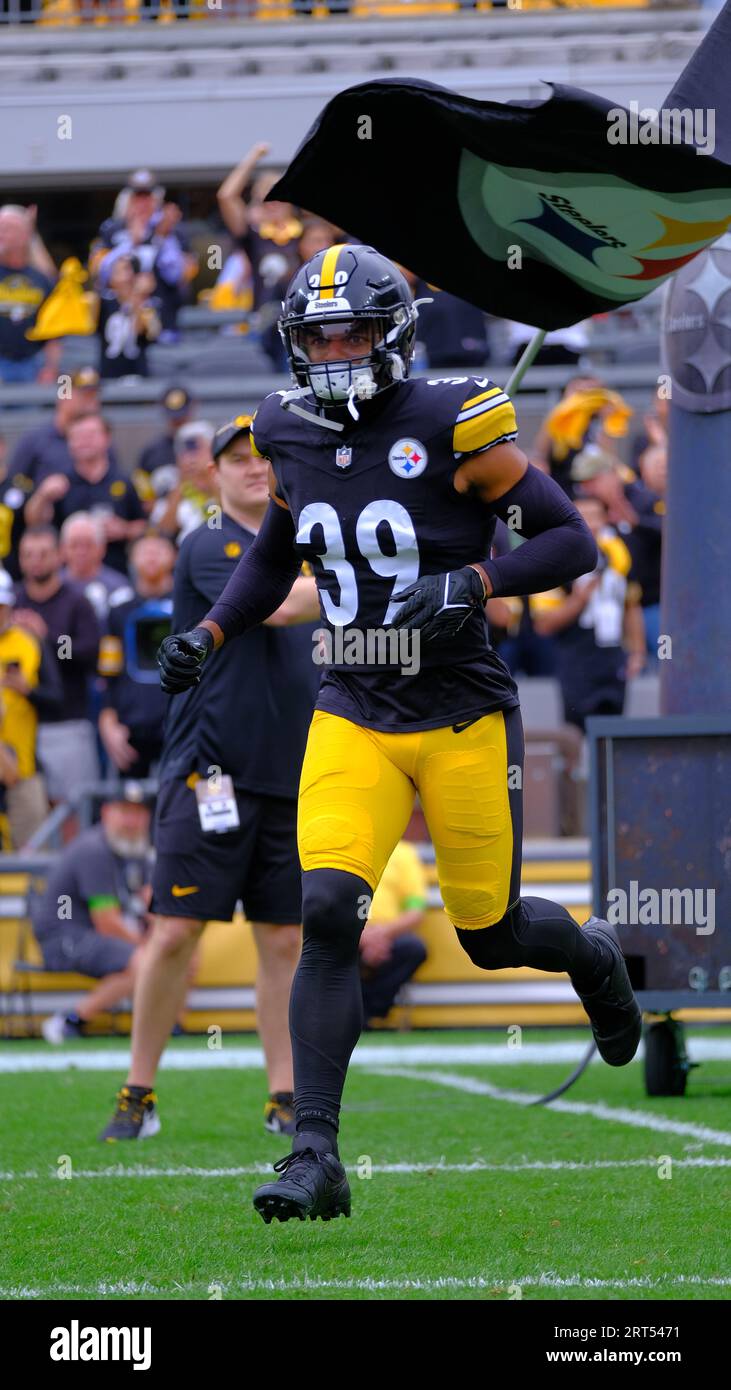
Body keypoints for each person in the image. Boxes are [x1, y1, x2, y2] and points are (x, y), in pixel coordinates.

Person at [157, 244, 643, 1224]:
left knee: (490, 931)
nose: (334, 348)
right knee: (327, 909)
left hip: (459, 710)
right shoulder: (283, 428)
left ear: (394, 335)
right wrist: (211, 631)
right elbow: (272, 550)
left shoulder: (454, 418)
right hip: (353, 707)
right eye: (317, 333)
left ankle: (589, 954)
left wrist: (472, 580)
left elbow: (568, 541)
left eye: (351, 330)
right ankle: (314, 1152)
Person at [100, 414, 321, 1143]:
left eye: (265, 456)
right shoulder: (209, 546)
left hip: (288, 772)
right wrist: (367, 580)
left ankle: (284, 1097)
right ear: (213, 474)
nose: (254, 467)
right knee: (173, 933)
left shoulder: (308, 545)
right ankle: (138, 1092)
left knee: (284, 941)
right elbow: (280, 604)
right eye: (237, 458)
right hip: (210, 773)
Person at [33, 787, 152, 1046]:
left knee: (181, 954)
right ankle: (70, 1020)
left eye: (138, 813)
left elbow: (150, 905)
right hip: (64, 937)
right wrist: (151, 946)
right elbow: (107, 922)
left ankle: (171, 1027)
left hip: (96, 936)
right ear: (106, 813)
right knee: (148, 960)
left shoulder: (136, 850)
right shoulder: (94, 850)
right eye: (125, 812)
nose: (132, 821)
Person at [531, 495, 646, 729]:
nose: (590, 525)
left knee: (614, 732)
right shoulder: (554, 559)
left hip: (612, 655)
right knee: (576, 731)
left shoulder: (617, 553)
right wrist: (578, 600)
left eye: (596, 517)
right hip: (576, 657)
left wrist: (637, 651)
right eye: (583, 518)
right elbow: (543, 625)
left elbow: (631, 604)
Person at [15, 525, 101, 802]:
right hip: (18, 723)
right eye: (28, 555)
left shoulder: (76, 602)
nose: (35, 561)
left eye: (43, 554)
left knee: (72, 809)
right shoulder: (12, 601)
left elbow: (88, 654)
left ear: (58, 556)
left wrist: (46, 639)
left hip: (66, 723)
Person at [25, 413, 146, 574]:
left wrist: (124, 529)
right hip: (69, 579)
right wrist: (42, 496)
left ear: (106, 438)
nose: (84, 441)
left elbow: (145, 527)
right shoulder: (60, 483)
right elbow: (34, 523)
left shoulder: (125, 481)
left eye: (91, 435)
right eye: (77, 436)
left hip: (116, 572)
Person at [98, 533, 176, 778]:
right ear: (131, 559)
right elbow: (108, 671)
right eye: (144, 551)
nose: (151, 556)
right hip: (132, 727)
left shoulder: (191, 604)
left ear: (174, 556)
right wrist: (108, 721)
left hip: (181, 723)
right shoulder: (119, 608)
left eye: (159, 550)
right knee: (129, 809)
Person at [359, 838, 427, 1027]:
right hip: (348, 932)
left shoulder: (403, 853)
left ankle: (369, 1011)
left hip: (390, 936)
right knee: (332, 949)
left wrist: (380, 935)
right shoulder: (347, 849)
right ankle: (357, 1012)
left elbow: (416, 910)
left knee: (414, 949)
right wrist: (360, 935)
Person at [7, 366, 110, 491]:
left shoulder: (100, 439)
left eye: (94, 396)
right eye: (85, 396)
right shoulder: (35, 441)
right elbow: (14, 485)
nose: (92, 403)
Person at [0, 205, 59, 385]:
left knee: (33, 413)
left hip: (33, 363)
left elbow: (55, 331)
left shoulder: (41, 278)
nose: (1, 234)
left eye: (7, 229)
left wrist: (51, 368)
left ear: (25, 236)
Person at [60, 511, 131, 623]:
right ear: (63, 549)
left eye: (88, 545)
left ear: (102, 548)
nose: (81, 552)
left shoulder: (119, 587)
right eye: (74, 545)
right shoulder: (52, 586)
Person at [97, 254, 160, 379]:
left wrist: (138, 296)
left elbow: (147, 331)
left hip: (137, 373)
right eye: (116, 270)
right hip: (108, 374)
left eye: (126, 269)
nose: (121, 275)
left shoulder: (147, 305)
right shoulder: (103, 303)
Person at [133, 384, 195, 509]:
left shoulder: (205, 447)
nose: (178, 422)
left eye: (182, 417)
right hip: (164, 522)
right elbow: (145, 502)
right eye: (173, 418)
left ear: (192, 408)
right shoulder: (150, 453)